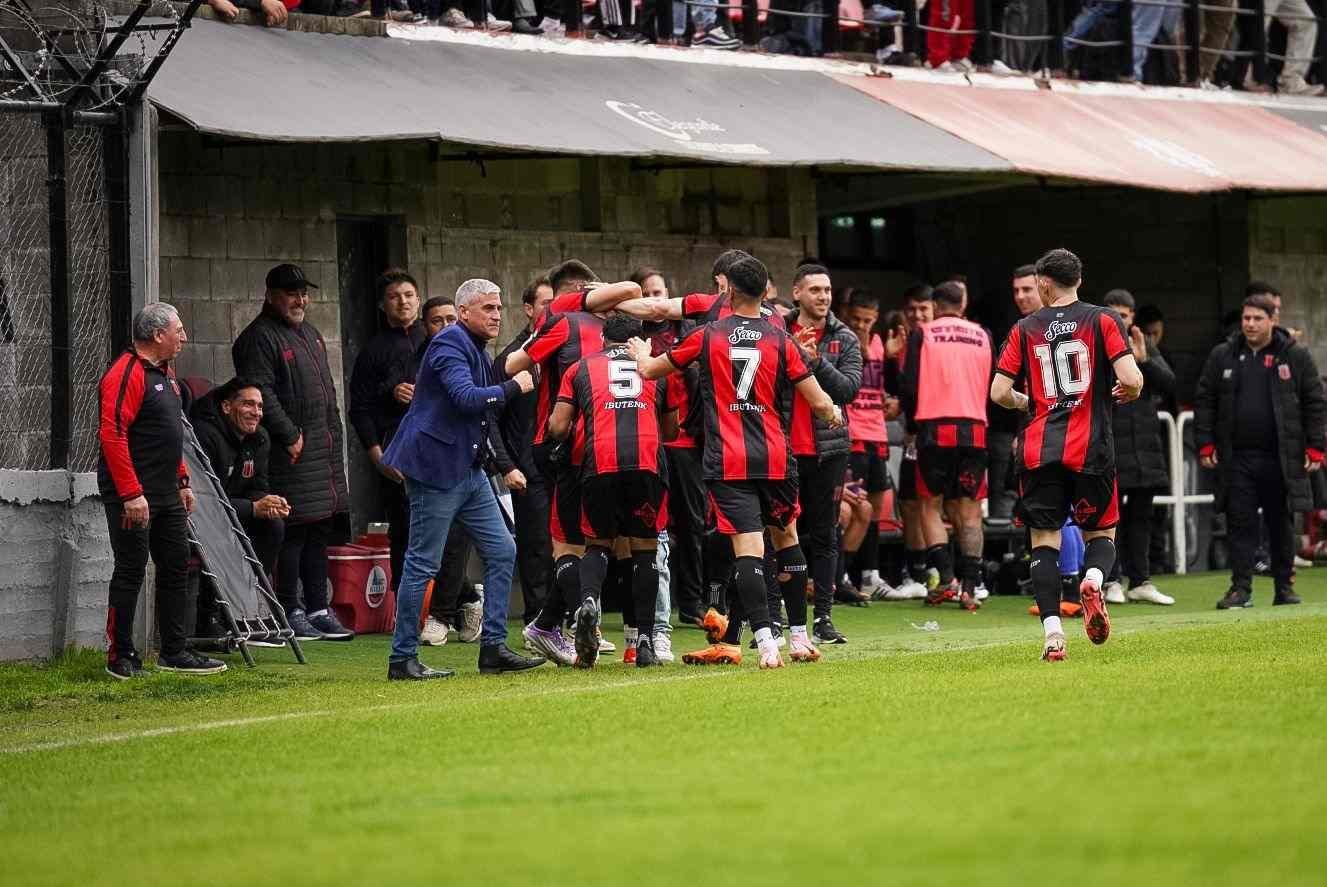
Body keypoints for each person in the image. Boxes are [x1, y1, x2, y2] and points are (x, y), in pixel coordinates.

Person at [628, 255, 845, 669]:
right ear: (766, 293)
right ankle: (800, 638)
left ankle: (766, 645)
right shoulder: (781, 339)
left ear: (727, 290)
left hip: (728, 459)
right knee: (787, 538)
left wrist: (641, 351)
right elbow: (819, 403)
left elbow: (652, 371)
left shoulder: (707, 335)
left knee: (748, 548)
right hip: (776, 456)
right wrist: (833, 413)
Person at [381, 278, 544, 679]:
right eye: (488, 308)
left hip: (469, 471)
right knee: (423, 563)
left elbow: (480, 410)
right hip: (435, 470)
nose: (497, 315)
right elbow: (466, 398)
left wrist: (500, 463)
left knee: (502, 550)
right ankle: (402, 658)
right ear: (465, 312)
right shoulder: (449, 343)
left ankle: (493, 648)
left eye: (499, 308)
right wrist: (514, 386)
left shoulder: (474, 347)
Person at [990, 248, 1144, 662]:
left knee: (1044, 540)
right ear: (1079, 280)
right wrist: (1129, 391)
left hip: (1040, 450)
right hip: (1091, 447)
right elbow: (1131, 378)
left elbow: (999, 392)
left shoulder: (1025, 328)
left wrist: (1028, 402)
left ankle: (1053, 636)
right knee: (1102, 533)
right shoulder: (1103, 319)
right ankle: (1092, 578)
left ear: (1043, 283)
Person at [98, 303, 226, 678]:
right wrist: (130, 494)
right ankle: (120, 655)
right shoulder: (125, 373)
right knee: (131, 568)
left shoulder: (166, 375)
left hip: (167, 491)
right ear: (158, 335)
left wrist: (182, 480)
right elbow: (112, 434)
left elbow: (171, 435)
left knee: (175, 565)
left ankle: (174, 651)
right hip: (133, 495)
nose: (184, 337)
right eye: (178, 330)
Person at [233, 264, 355, 643]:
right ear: (270, 296)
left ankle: (318, 607)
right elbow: (260, 392)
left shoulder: (311, 334)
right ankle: (290, 608)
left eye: (303, 293)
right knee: (293, 530)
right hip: (289, 452)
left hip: (322, 451)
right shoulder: (259, 338)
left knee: (318, 529)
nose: (300, 300)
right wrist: (289, 434)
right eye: (291, 293)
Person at [547, 313, 676, 666]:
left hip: (599, 464)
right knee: (645, 550)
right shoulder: (657, 368)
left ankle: (588, 602)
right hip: (647, 465)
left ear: (603, 339)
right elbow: (672, 431)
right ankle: (645, 641)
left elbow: (557, 427)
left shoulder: (579, 369)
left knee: (597, 544)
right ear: (641, 340)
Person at [1195, 293, 1326, 609]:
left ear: (1273, 320)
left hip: (1281, 458)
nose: (1250, 324)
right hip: (1237, 458)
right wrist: (1206, 443)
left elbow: (1315, 402)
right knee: (1239, 523)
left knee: (1281, 523)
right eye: (1246, 318)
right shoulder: (1223, 354)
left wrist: (1315, 447)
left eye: (1257, 318)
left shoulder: (1295, 355)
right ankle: (1240, 589)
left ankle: (1284, 588)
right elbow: (1205, 400)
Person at [901, 280, 993, 612]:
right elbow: (993, 384)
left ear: (936, 306)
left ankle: (948, 579)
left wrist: (912, 427)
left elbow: (909, 386)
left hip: (934, 430)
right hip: (975, 431)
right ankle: (970, 589)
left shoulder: (923, 334)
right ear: (962, 305)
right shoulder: (983, 335)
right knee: (970, 512)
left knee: (929, 506)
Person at [785, 264, 863, 645]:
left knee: (825, 535)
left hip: (828, 450)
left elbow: (849, 389)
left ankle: (824, 619)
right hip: (782, 447)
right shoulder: (776, 330)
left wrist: (815, 361)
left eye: (828, 290)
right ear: (796, 293)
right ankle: (775, 619)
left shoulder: (844, 337)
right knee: (778, 533)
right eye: (815, 289)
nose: (823, 296)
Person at [190, 377, 291, 643]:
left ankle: (250, 610)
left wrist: (269, 502)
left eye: (259, 406)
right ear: (227, 407)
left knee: (273, 526)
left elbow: (257, 486)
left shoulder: (259, 438)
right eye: (248, 404)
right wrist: (253, 508)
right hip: (198, 517)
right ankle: (210, 617)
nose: (256, 412)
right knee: (222, 534)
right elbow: (204, 501)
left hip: (235, 512)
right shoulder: (205, 435)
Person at [348, 269, 429, 596]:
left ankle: (451, 604)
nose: (403, 302)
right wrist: (377, 456)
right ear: (383, 305)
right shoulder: (373, 351)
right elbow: (359, 409)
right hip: (397, 451)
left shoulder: (433, 339)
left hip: (440, 449)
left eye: (408, 295)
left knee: (449, 530)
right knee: (405, 528)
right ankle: (402, 607)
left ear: (418, 300)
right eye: (394, 297)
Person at [1100, 289, 1176, 607]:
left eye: (1124, 314)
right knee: (1110, 519)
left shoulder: (1144, 343)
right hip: (1109, 445)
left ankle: (1140, 581)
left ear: (1132, 316)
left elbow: (1169, 383)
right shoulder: (1094, 343)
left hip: (1145, 448)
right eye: (1113, 313)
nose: (1119, 320)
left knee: (1142, 518)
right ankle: (1111, 580)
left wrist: (1144, 361)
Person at [494, 278, 556, 633]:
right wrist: (506, 465)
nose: (552, 311)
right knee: (536, 547)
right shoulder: (512, 358)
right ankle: (538, 621)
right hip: (527, 468)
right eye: (545, 304)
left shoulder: (563, 349)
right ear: (529, 309)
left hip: (560, 464)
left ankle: (567, 621)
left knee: (567, 545)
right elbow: (492, 419)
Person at [841, 289, 903, 599]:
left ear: (876, 319)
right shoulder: (841, 341)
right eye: (856, 319)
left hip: (877, 432)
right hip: (851, 434)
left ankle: (870, 575)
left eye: (867, 320)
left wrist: (890, 360)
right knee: (854, 506)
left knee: (877, 507)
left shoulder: (881, 342)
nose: (862, 325)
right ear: (847, 314)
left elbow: (890, 387)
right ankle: (839, 575)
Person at [987, 265, 1040, 521]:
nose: (1020, 296)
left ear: (1044, 287)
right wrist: (1023, 430)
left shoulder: (1065, 326)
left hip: (1061, 431)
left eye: (1027, 289)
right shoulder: (1016, 331)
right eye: (1016, 290)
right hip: (1019, 429)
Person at [893, 284, 935, 599]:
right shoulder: (900, 344)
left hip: (937, 435)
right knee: (909, 502)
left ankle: (955, 576)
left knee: (938, 505)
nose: (918, 315)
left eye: (924, 309)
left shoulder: (942, 342)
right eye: (913, 309)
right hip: (910, 437)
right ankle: (917, 572)